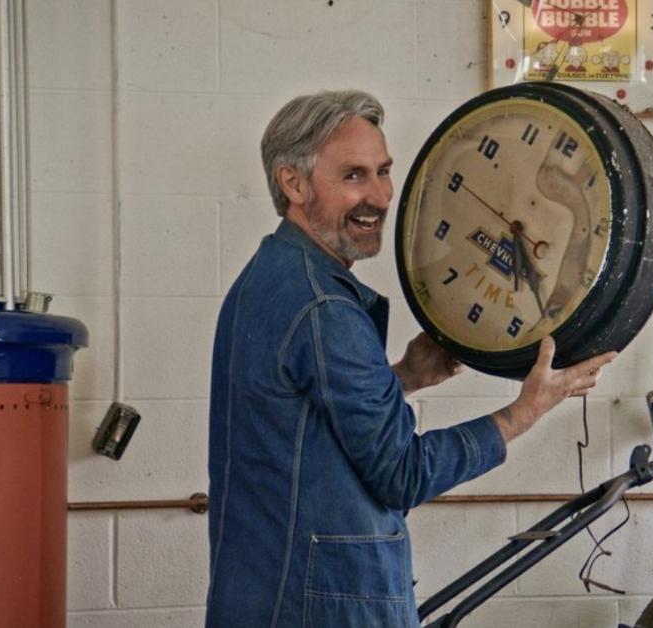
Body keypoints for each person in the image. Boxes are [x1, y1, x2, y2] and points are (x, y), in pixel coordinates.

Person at [205, 90, 617, 628]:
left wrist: (403, 378)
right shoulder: (324, 308)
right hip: (319, 607)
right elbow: (401, 474)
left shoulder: (270, 276)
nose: (380, 196)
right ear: (294, 183)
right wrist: (525, 411)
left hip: (261, 596)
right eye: (353, 176)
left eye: (383, 171)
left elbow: (299, 422)